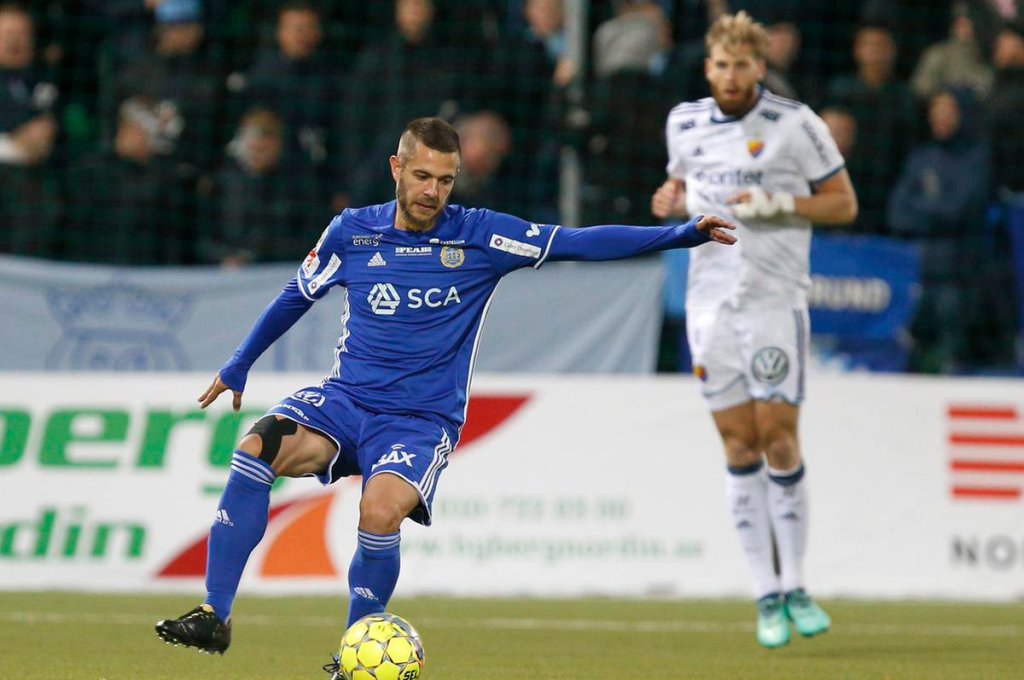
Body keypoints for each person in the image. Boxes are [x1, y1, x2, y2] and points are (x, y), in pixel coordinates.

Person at [154, 116, 736, 663]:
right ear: (397, 169)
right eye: (424, 176)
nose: (435, 191)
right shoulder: (353, 232)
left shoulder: (481, 236)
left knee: (379, 511)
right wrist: (239, 364)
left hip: (418, 420)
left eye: (447, 180)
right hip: (345, 400)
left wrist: (681, 234)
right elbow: (294, 296)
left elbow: (576, 241)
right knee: (257, 448)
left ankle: (357, 648)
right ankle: (216, 614)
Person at [650, 12, 857, 649]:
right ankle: (765, 595)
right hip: (709, 308)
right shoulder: (683, 124)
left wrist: (780, 205)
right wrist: (670, 200)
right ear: (708, 66)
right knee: (739, 448)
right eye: (721, 64)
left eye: (742, 65)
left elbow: (843, 203)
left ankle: (796, 584)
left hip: (772, 303)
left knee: (779, 441)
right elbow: (681, 187)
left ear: (759, 68)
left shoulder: (797, 124)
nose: (731, 75)